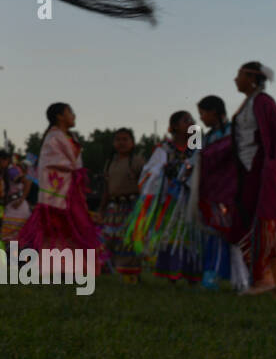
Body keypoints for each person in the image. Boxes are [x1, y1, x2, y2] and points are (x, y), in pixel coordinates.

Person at [231, 61, 276, 297]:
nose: (235, 80)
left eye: (238, 75)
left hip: (261, 169)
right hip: (249, 170)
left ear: (251, 78)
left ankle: (266, 280)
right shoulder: (249, 103)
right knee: (254, 224)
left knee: (264, 225)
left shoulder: (264, 102)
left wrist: (275, 165)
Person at [18, 104, 103, 276]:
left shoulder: (68, 137)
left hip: (71, 190)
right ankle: (53, 267)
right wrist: (74, 169)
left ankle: (71, 268)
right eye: (70, 112)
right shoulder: (54, 137)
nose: (74, 115)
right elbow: (50, 163)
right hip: (57, 192)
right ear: (59, 116)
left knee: (72, 228)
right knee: (55, 228)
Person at [126, 111, 202, 284]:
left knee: (192, 234)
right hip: (170, 200)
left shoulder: (196, 147)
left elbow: (203, 166)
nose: (191, 122)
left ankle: (193, 276)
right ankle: (171, 274)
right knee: (170, 234)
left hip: (191, 199)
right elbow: (150, 172)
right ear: (174, 126)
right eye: (186, 120)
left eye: (192, 120)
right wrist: (163, 172)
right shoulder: (164, 149)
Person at [196, 95, 241, 290]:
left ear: (214, 112)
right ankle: (212, 277)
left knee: (228, 235)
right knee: (213, 235)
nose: (202, 119)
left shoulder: (234, 132)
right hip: (211, 193)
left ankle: (235, 279)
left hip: (230, 193)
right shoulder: (206, 137)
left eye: (203, 114)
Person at [99, 128, 143, 279]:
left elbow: (146, 186)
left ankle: (129, 275)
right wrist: (101, 210)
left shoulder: (137, 162)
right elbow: (107, 188)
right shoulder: (110, 162)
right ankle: (108, 271)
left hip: (132, 206)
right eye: (118, 139)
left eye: (125, 139)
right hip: (113, 207)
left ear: (132, 142)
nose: (121, 143)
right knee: (109, 239)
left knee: (128, 240)